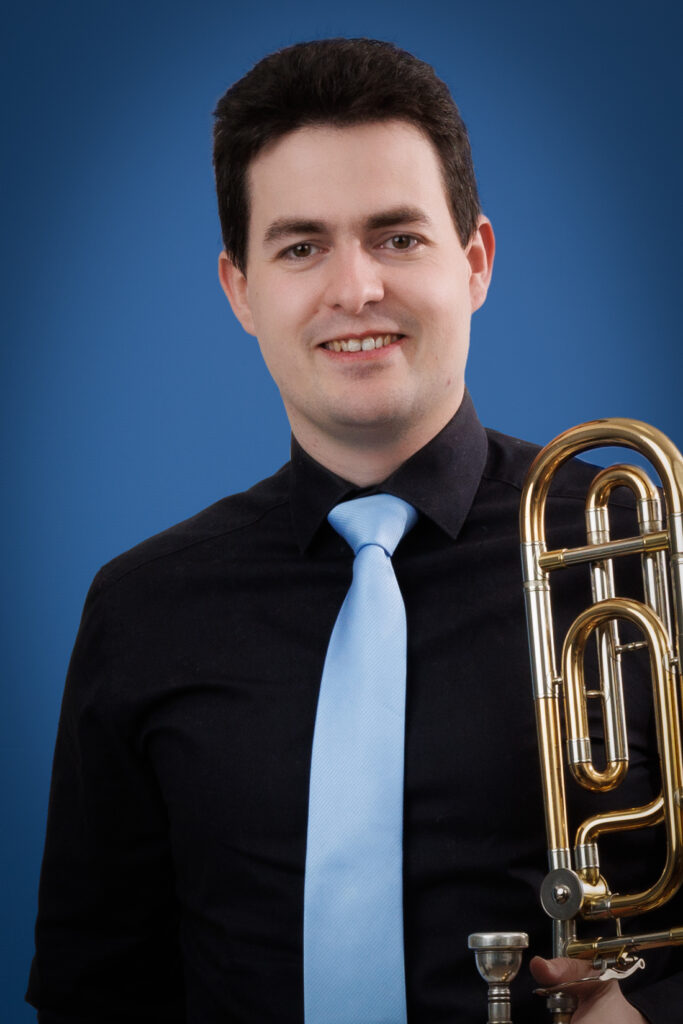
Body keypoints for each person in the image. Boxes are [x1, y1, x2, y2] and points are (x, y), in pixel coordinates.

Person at [27, 38, 681, 1023]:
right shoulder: (141, 608)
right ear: (240, 290)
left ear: (474, 262)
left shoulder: (643, 547)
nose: (355, 290)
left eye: (396, 237)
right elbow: (96, 990)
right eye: (300, 247)